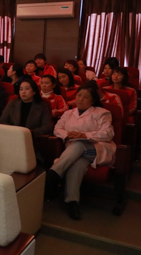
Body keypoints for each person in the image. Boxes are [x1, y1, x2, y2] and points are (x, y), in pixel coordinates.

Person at [45, 84, 115, 220]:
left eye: (85, 97)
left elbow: (108, 133)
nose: (80, 99)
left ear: (92, 100)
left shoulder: (102, 113)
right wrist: (69, 135)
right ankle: (72, 202)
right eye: (79, 95)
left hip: (96, 149)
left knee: (79, 144)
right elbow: (57, 129)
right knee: (77, 165)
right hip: (74, 153)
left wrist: (84, 136)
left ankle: (53, 174)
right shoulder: (68, 113)